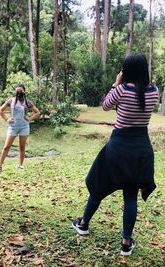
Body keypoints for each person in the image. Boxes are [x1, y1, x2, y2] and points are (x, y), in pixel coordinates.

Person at [72, 53, 159, 256]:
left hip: (118, 146)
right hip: (140, 148)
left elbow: (105, 106)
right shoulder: (154, 91)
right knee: (130, 195)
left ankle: (83, 224)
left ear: (126, 70)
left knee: (98, 184)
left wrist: (115, 83)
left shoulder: (121, 89)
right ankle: (126, 243)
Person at [0, 83, 40, 172]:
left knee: (22, 147)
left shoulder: (28, 102)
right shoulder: (11, 101)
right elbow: (0, 110)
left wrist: (30, 118)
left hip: (24, 126)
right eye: (17, 91)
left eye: (21, 91)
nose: (19, 93)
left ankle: (20, 165)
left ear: (24, 91)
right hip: (13, 127)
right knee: (6, 146)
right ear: (15, 92)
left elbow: (37, 112)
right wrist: (7, 119)